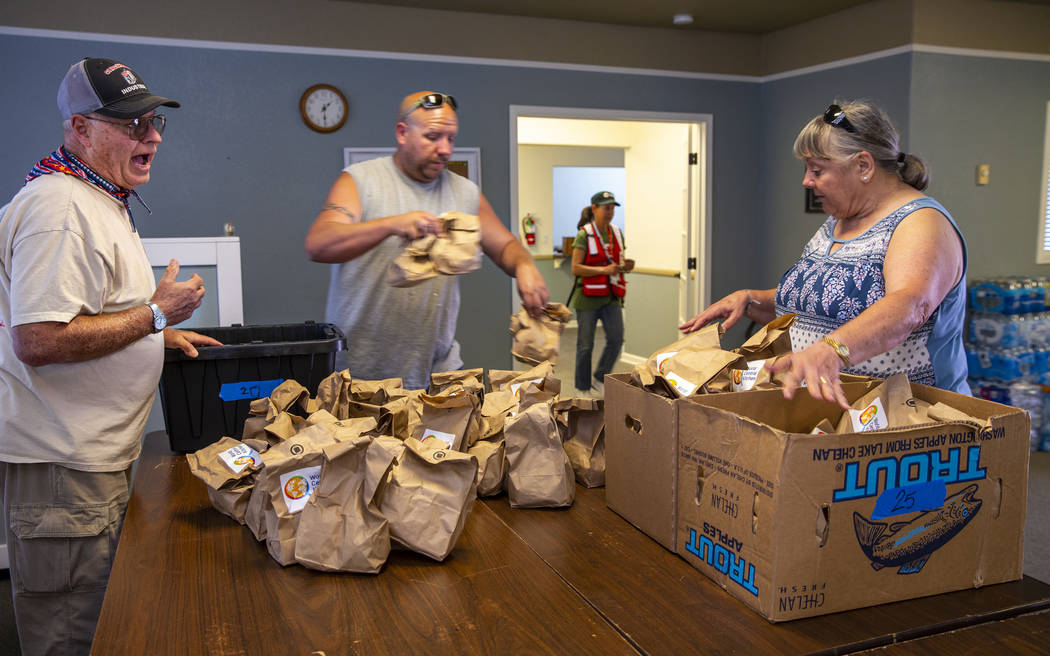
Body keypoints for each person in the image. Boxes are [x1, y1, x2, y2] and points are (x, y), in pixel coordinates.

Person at [0, 57, 220, 655]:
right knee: (73, 634)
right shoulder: (60, 210)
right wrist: (154, 315)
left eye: (154, 122)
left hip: (88, 460)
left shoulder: (99, 196)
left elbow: (87, 310)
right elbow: (39, 340)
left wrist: (156, 335)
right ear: (80, 129)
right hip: (64, 466)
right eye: (130, 124)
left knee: (104, 619)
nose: (149, 137)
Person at [680, 99, 967, 409]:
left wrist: (833, 349)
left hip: (909, 417)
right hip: (841, 414)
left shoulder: (921, 222)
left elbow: (910, 305)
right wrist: (751, 300)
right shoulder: (839, 221)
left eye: (817, 170)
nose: (806, 181)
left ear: (863, 166)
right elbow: (819, 305)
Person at [305, 91, 549, 390]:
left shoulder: (465, 192)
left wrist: (525, 265)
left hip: (439, 369)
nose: (445, 149)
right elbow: (319, 243)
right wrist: (393, 224)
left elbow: (505, 246)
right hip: (362, 374)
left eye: (451, 138)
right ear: (402, 133)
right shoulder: (360, 181)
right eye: (433, 137)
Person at [569, 191, 634, 396]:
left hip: (611, 297)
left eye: (613, 208)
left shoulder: (616, 232)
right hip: (587, 298)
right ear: (595, 208)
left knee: (616, 340)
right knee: (585, 346)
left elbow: (615, 263)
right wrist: (602, 270)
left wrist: (625, 267)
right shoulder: (584, 234)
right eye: (606, 208)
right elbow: (576, 268)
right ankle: (582, 387)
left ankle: (599, 377)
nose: (610, 212)